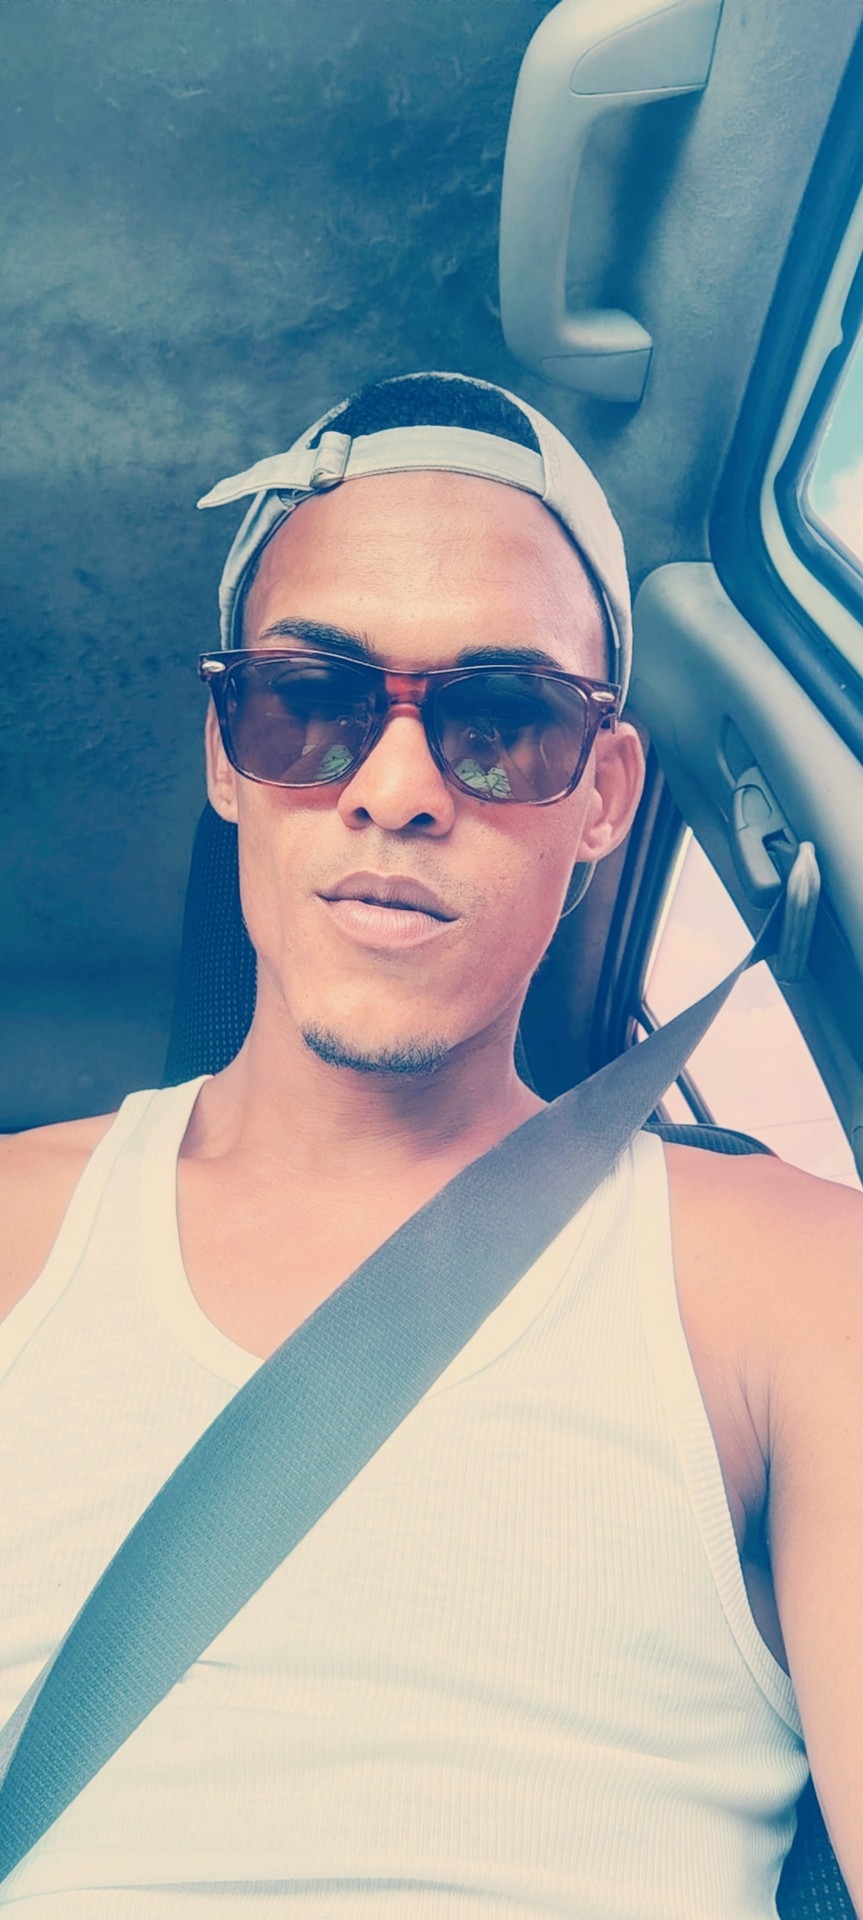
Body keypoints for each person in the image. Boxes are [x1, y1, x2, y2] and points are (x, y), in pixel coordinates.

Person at [1, 372, 860, 1918]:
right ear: (224, 752)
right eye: (311, 703)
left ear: (604, 795)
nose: (393, 791)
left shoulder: (797, 1286)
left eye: (503, 722)